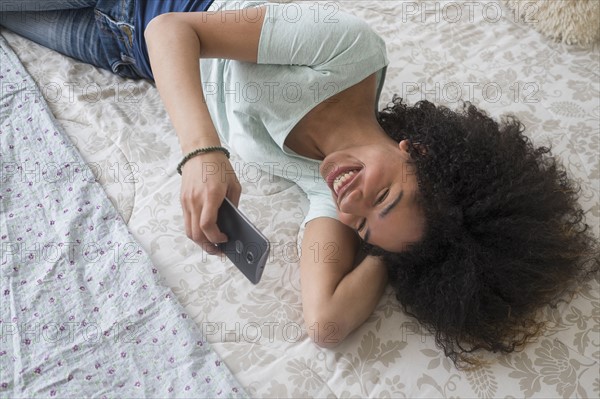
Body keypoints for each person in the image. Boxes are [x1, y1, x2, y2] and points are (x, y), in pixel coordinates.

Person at [1, 0, 597, 368]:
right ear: (421, 150)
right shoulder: (347, 49)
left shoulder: (324, 192)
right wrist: (203, 154)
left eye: (362, 225)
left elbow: (326, 323)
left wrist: (404, 256)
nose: (351, 201)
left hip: (117, 49)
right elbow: (170, 30)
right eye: (383, 196)